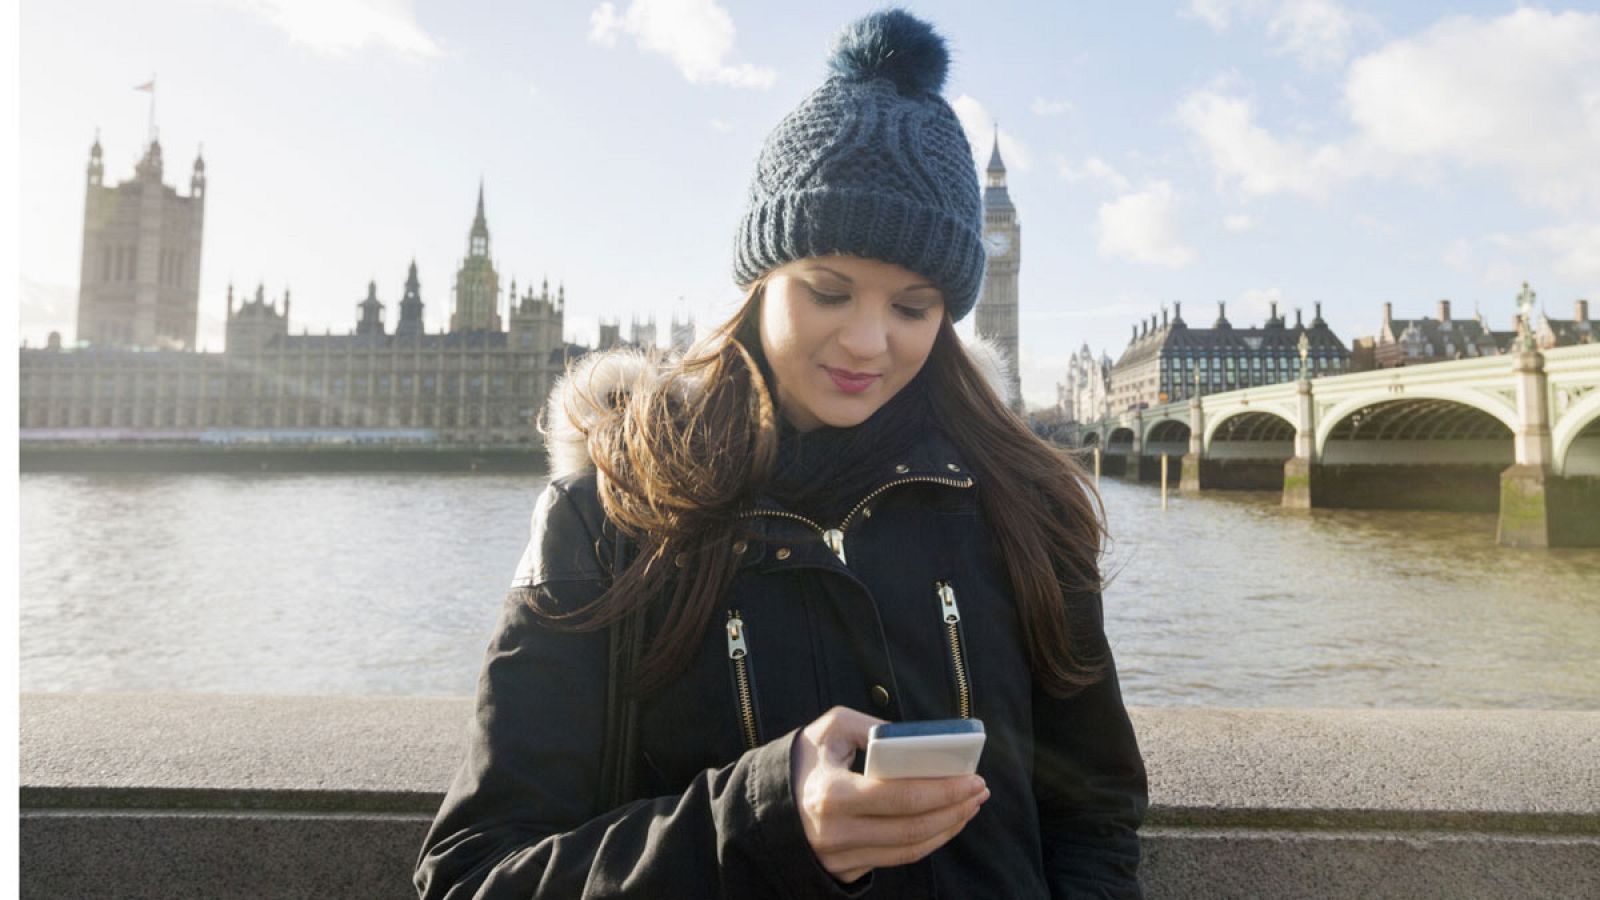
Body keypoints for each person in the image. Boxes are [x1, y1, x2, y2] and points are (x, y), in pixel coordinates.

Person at [415, 9, 1147, 898]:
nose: (869, 342)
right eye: (829, 291)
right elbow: (474, 876)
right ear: (760, 276)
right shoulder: (609, 514)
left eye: (913, 308)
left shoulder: (1026, 506)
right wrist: (763, 820)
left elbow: (1095, 819)